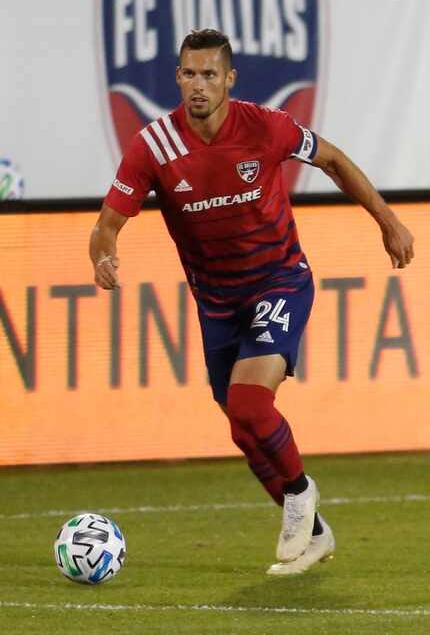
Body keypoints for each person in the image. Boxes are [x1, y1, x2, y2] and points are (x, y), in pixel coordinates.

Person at [90, 29, 414, 575]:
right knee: (242, 427)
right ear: (177, 78)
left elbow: (332, 160)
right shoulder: (155, 146)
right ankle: (313, 534)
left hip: (279, 280)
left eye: (209, 74)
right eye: (189, 73)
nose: (198, 85)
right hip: (216, 302)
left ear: (229, 78)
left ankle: (300, 491)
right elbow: (106, 225)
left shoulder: (266, 126)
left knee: (248, 405)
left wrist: (389, 221)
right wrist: (104, 255)